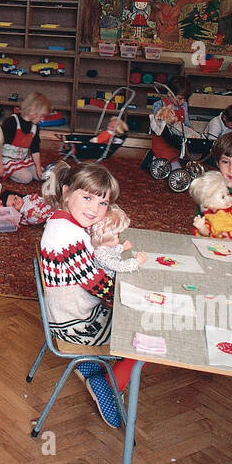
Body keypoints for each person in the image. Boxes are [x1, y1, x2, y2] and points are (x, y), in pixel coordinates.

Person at [38, 161, 139, 428]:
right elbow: (97, 286)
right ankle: (108, 383)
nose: (95, 209)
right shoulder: (66, 236)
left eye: (103, 203)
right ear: (66, 192)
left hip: (73, 312)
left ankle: (95, 365)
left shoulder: (65, 223)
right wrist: (129, 295)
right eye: (87, 198)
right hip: (77, 323)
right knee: (147, 336)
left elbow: (93, 269)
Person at [0, 92, 49, 183]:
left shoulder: (35, 126)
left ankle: (20, 170)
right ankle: (8, 171)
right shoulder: (11, 122)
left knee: (44, 175)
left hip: (22, 159)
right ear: (32, 110)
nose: (42, 119)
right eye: (42, 115)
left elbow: (35, 149)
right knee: (27, 178)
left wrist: (38, 168)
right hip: (7, 159)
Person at [144, 75, 192, 170]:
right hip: (163, 141)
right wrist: (169, 118)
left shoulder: (184, 105)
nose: (183, 102)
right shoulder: (159, 105)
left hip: (177, 140)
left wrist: (191, 132)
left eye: (185, 99)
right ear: (170, 94)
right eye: (180, 98)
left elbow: (186, 122)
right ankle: (154, 159)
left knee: (182, 160)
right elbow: (160, 120)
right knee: (173, 167)